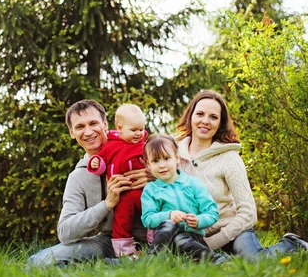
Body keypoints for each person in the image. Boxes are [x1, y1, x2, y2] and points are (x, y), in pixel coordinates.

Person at [172, 90, 308, 260]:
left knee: (253, 259)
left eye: (213, 117)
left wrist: (213, 243)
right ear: (190, 116)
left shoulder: (229, 158)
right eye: (200, 114)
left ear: (220, 123)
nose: (205, 121)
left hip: (233, 229)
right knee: (178, 257)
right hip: (192, 233)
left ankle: (292, 244)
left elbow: (248, 212)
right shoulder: (172, 152)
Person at [27, 99, 151, 268]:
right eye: (79, 127)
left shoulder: (143, 150)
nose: (88, 132)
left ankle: (114, 265)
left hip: (150, 236)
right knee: (39, 262)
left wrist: (154, 176)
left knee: (172, 249)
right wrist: (107, 204)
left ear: (105, 124)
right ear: (72, 132)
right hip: (106, 241)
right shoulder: (78, 177)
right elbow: (65, 232)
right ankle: (117, 264)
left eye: (93, 123)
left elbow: (176, 171)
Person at [141, 133, 227, 264]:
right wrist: (169, 215)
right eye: (155, 161)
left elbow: (212, 212)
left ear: (177, 158)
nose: (162, 165)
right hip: (165, 241)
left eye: (166, 158)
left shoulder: (193, 183)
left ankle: (218, 261)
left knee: (180, 239)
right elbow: (147, 219)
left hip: (192, 238)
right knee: (169, 224)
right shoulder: (151, 190)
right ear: (148, 164)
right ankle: (153, 259)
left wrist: (198, 220)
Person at [88, 104, 147, 258]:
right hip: (123, 194)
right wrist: (96, 163)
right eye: (133, 130)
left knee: (153, 214)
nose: (138, 134)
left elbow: (156, 161)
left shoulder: (144, 146)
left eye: (141, 129)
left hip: (145, 191)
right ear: (120, 128)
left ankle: (158, 244)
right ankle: (125, 252)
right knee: (122, 221)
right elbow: (102, 161)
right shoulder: (111, 146)